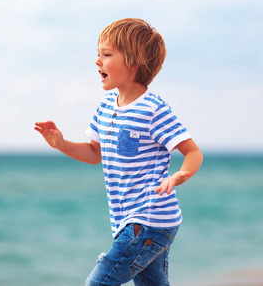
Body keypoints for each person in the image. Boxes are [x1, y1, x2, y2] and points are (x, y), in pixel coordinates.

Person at [34, 18, 203, 286]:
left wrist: (180, 175)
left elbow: (192, 152)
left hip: (148, 219)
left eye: (107, 54)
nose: (97, 61)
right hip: (130, 222)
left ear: (134, 61)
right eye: (98, 54)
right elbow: (93, 153)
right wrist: (61, 143)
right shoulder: (105, 107)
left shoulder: (153, 109)